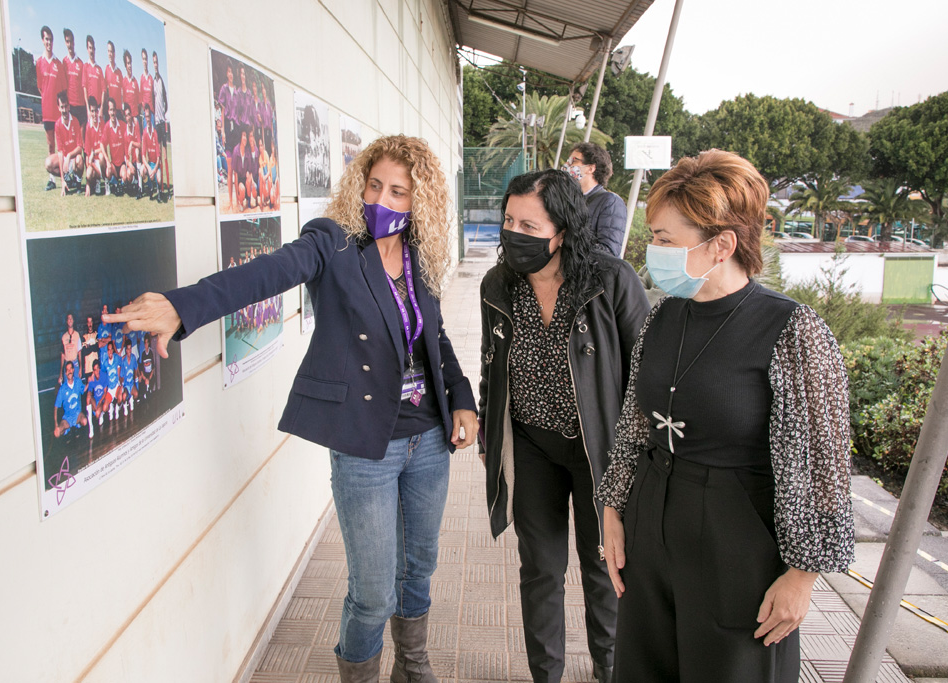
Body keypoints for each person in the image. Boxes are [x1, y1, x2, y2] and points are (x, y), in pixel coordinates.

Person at [104, 134, 480, 683]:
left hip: (429, 440)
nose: (383, 200)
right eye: (375, 185)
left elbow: (435, 338)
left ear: (418, 199)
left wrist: (463, 399)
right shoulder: (332, 242)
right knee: (373, 592)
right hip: (364, 446)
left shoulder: (421, 256)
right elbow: (265, 274)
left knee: (418, 569)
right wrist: (184, 306)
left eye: (399, 192)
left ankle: (414, 666)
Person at [596, 149, 854, 683]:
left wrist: (802, 576)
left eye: (666, 239)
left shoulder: (794, 330)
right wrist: (613, 507)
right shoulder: (663, 314)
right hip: (653, 518)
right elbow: (634, 424)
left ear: (722, 245)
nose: (652, 252)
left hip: (736, 538)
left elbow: (823, 467)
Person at [478, 169, 649, 683]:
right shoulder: (497, 284)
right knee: (541, 571)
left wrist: (640, 457)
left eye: (530, 226)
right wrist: (490, 430)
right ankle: (546, 674)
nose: (515, 234)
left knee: (604, 567)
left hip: (601, 451)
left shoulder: (610, 280)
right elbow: (492, 362)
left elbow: (646, 370)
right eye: (509, 221)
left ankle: (610, 669)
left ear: (564, 230)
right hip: (532, 445)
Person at [562, 143, 627, 257]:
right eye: (568, 161)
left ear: (591, 168)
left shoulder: (610, 202)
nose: (567, 165)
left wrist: (566, 243)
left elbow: (609, 251)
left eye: (574, 161)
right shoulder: (569, 200)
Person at [35, 25, 66, 191]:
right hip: (47, 113)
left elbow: (61, 90)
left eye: (51, 39)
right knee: (50, 147)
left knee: (60, 149)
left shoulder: (58, 64)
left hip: (57, 114)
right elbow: (41, 88)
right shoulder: (39, 63)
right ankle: (52, 180)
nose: (49, 42)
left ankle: (64, 179)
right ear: (42, 40)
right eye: (46, 39)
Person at [46, 91, 84, 196]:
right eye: (61, 107)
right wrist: (62, 180)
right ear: (58, 107)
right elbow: (60, 152)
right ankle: (67, 179)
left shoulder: (75, 121)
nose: (64, 110)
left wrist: (69, 157)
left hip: (73, 159)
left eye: (65, 107)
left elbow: (80, 147)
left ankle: (78, 182)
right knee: (48, 163)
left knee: (80, 159)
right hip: (65, 161)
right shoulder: (58, 125)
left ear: (69, 107)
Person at [151, 51, 171, 197]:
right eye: (154, 63)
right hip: (156, 123)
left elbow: (166, 100)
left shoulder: (161, 81)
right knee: (158, 155)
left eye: (157, 62)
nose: (155, 65)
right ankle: (161, 187)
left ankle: (168, 188)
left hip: (162, 123)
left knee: (165, 155)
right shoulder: (152, 81)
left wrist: (164, 114)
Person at [54, 360, 87, 438]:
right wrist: (56, 424)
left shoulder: (78, 381)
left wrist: (90, 381)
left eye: (70, 369)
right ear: (65, 373)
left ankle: (77, 425)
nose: (69, 371)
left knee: (84, 421)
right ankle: (68, 429)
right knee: (57, 433)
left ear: (73, 370)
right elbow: (56, 408)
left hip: (77, 414)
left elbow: (84, 389)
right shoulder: (62, 389)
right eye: (67, 370)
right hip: (67, 418)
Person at [62, 29, 86, 127]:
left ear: (74, 42)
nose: (70, 44)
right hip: (70, 106)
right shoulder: (64, 62)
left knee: (81, 138)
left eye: (71, 41)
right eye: (67, 41)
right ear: (65, 43)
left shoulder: (80, 63)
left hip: (81, 106)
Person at [82, 35, 105, 127]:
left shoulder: (99, 69)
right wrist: (88, 109)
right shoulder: (85, 67)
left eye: (93, 48)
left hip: (98, 109)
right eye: (89, 48)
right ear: (87, 49)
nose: (91, 51)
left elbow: (103, 90)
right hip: (90, 109)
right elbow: (84, 89)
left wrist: (102, 108)